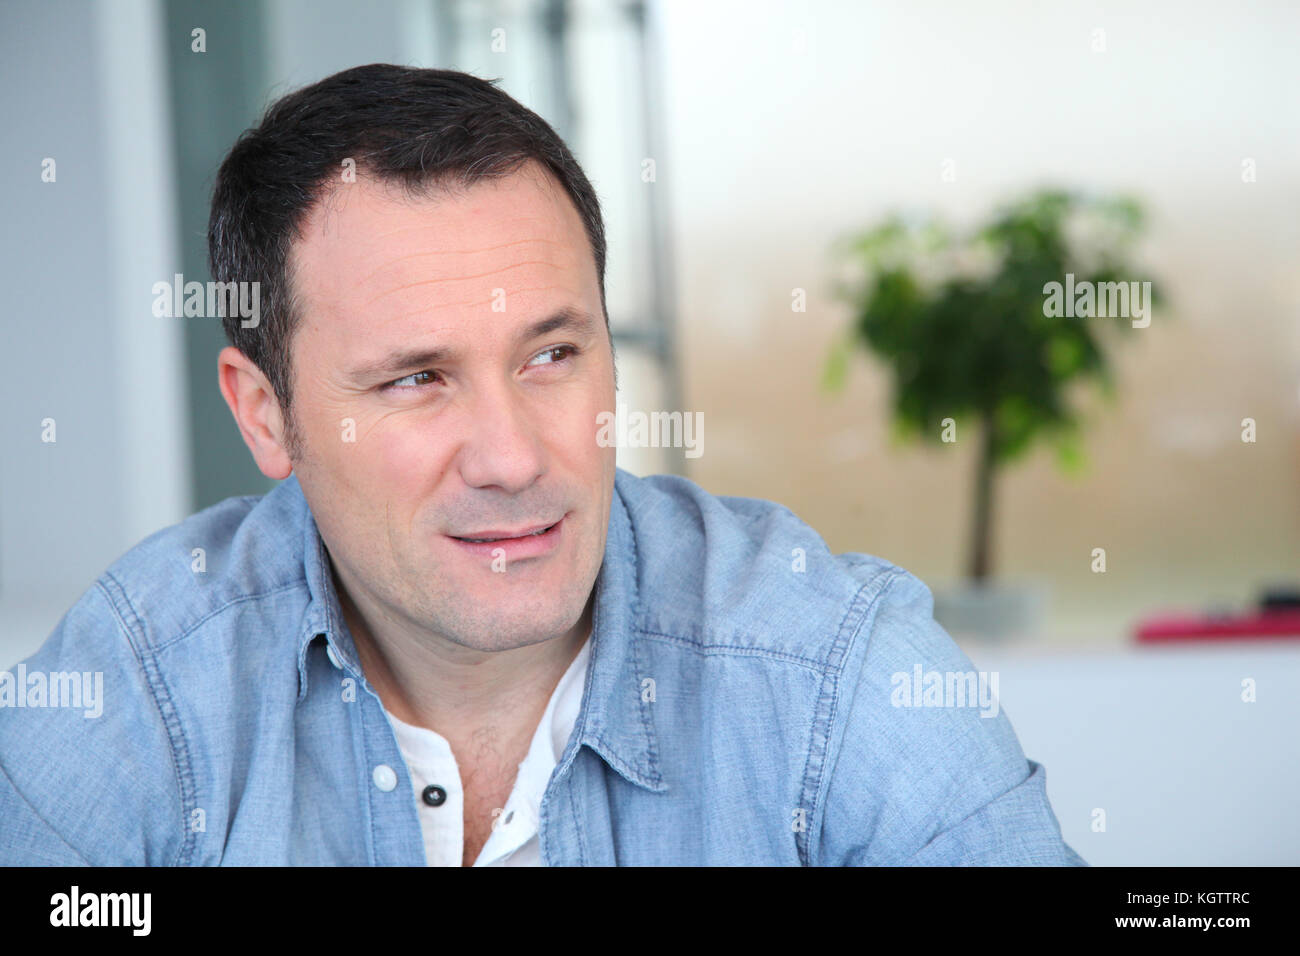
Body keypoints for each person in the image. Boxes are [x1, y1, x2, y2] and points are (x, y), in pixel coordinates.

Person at [0, 64, 1084, 866]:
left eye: (552, 353)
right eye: (416, 379)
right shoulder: (135, 690)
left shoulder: (831, 673)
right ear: (266, 413)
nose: (515, 456)